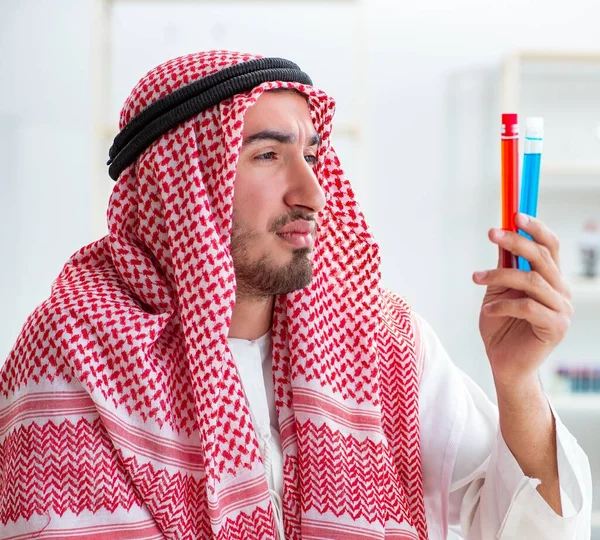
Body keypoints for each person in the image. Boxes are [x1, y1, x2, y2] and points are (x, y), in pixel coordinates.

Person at [0, 51, 591, 540]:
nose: (312, 192)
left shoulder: (375, 338)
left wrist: (517, 385)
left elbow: (525, 526)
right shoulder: (72, 351)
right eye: (267, 155)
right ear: (179, 189)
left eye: (311, 156)